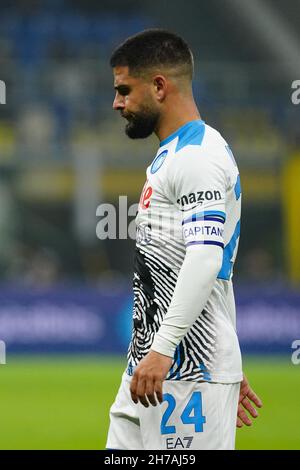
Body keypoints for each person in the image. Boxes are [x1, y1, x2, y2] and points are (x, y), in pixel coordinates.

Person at [106, 29, 262, 450]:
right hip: (151, 369)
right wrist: (221, 346)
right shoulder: (173, 155)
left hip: (184, 374)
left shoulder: (197, 157)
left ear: (159, 86)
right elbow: (207, 269)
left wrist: (172, 350)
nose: (117, 103)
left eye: (124, 90)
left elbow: (206, 259)